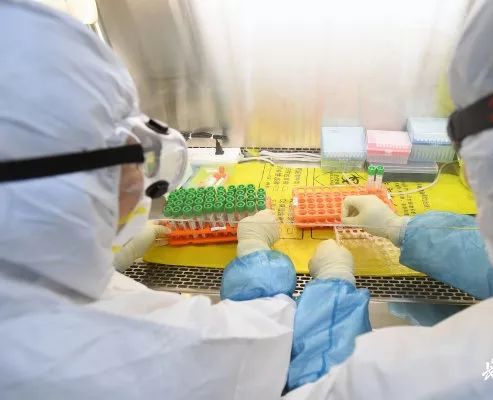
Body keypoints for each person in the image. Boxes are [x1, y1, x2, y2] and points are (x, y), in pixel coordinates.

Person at [283, 0, 493, 397]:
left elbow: (325, 390)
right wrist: (401, 229)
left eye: (465, 138)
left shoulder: (470, 379)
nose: (465, 171)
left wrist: (332, 291)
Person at [0, 2, 301, 398]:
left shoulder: (23, 275)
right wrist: (261, 261)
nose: (137, 179)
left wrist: (112, 262)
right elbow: (259, 346)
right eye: (129, 156)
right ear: (58, 186)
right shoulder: (98, 355)